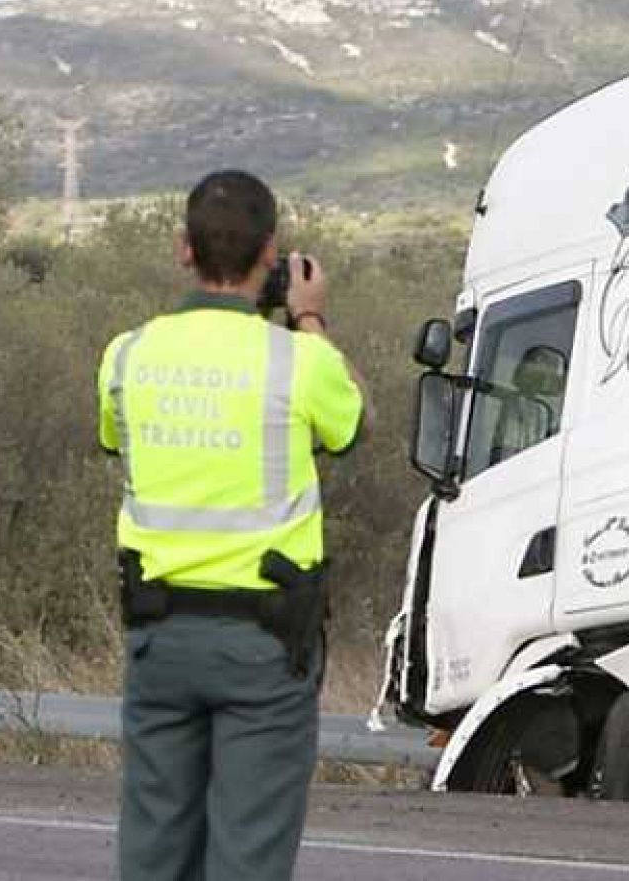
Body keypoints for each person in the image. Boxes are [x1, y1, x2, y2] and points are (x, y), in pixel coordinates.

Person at [96, 170, 364, 881]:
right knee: (248, 853)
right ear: (272, 255)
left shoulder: (126, 356)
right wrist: (309, 317)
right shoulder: (299, 361)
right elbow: (352, 423)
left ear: (183, 249)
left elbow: (115, 438)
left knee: (153, 849)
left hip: (160, 638)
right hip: (265, 644)